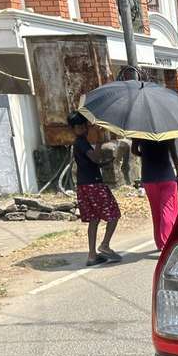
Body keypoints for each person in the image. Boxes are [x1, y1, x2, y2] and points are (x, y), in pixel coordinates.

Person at [68, 112, 121, 266]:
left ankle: (92, 255)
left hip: (84, 185)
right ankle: (104, 245)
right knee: (113, 214)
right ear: (73, 129)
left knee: (94, 219)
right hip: (94, 185)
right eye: (79, 126)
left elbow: (91, 163)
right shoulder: (81, 143)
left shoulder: (80, 142)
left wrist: (104, 163)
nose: (83, 128)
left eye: (84, 125)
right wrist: (99, 141)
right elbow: (95, 158)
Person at [131, 138, 178, 250]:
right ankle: (166, 243)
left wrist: (145, 154)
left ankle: (160, 243)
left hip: (148, 177)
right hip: (166, 176)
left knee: (156, 211)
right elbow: (173, 154)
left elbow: (134, 150)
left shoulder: (139, 132)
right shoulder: (167, 131)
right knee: (168, 210)